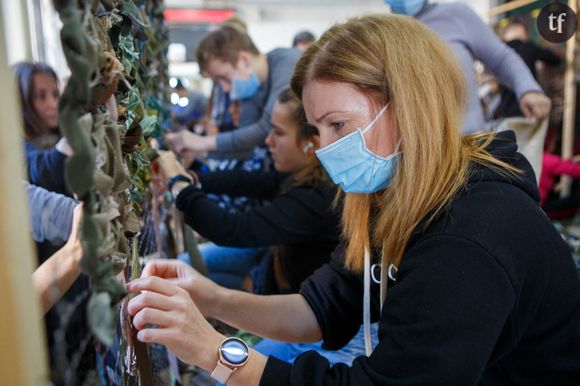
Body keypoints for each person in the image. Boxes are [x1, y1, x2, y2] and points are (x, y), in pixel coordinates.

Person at [127, 15, 580, 385]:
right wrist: (210, 298)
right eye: (317, 129)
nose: (323, 150)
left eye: (338, 126)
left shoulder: (471, 232)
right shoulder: (393, 196)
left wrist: (213, 352)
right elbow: (320, 308)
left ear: (407, 107)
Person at [157, 89, 340, 294]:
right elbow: (248, 181)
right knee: (182, 267)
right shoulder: (306, 174)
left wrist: (180, 185)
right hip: (270, 265)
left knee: (177, 276)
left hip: (291, 295)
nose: (268, 140)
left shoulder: (316, 197)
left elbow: (231, 229)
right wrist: (194, 178)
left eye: (278, 133)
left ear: (312, 144)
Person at [384, 0, 551, 133]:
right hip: (415, 157)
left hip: (470, 149)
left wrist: (528, 89)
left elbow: (501, 59)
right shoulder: (383, 34)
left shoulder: (455, 15)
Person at [165, 26, 302, 160]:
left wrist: (202, 142)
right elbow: (246, 147)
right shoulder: (252, 91)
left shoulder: (288, 62)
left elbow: (266, 127)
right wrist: (199, 152)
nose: (224, 89)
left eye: (224, 78)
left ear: (244, 60)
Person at [13, 62, 72, 195]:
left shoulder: (57, 134)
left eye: (55, 94)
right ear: (21, 101)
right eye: (41, 96)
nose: (53, 104)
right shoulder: (15, 147)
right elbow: (40, 172)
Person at [496, 19, 562, 118]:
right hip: (526, 109)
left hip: (505, 109)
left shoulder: (498, 52)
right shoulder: (528, 47)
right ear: (521, 30)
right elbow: (555, 59)